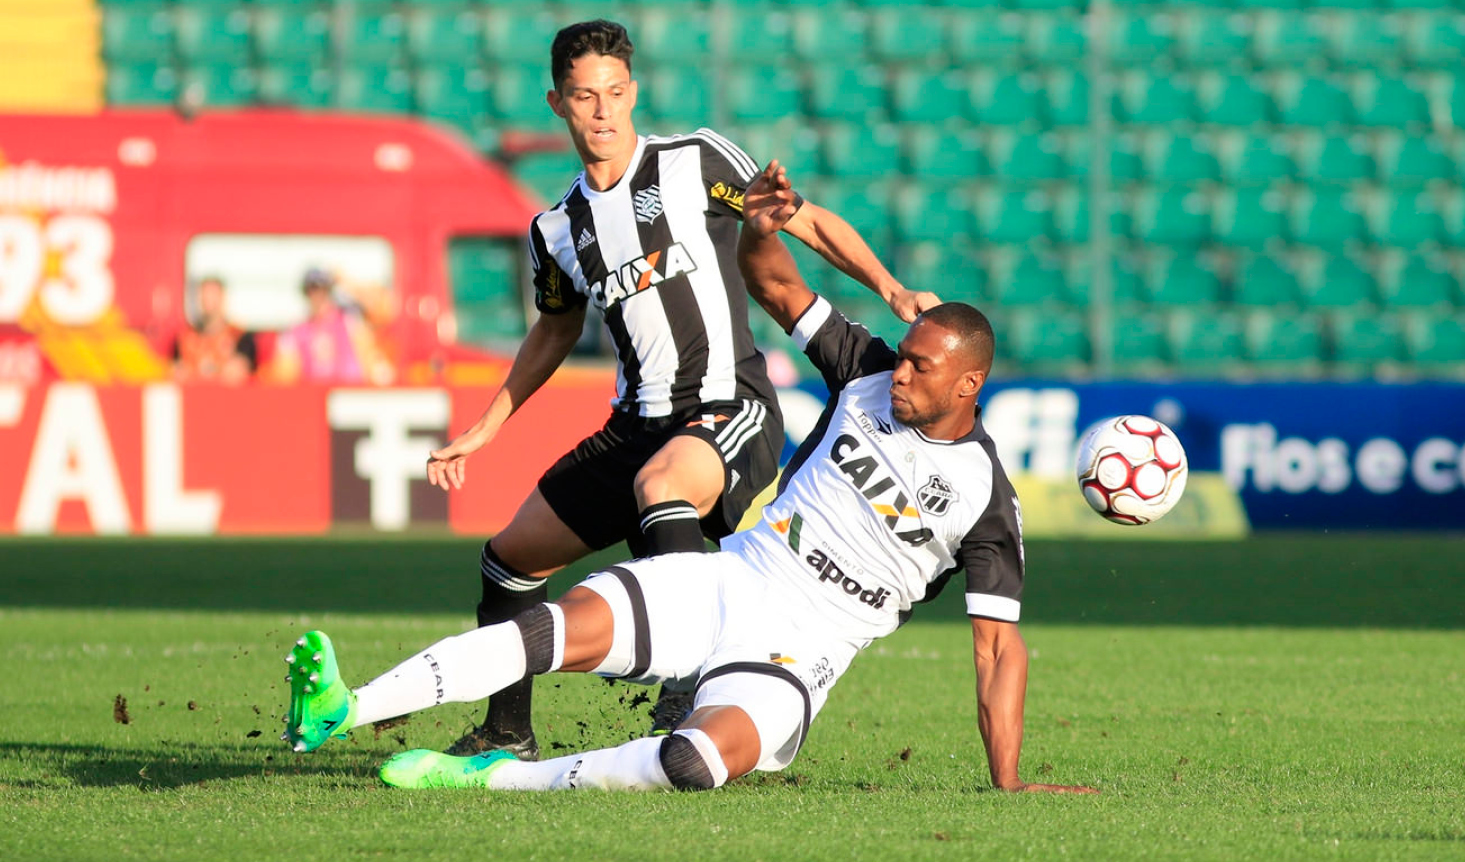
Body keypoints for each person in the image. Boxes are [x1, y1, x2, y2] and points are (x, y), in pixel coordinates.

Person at [279, 162, 1095, 796]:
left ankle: (496, 779)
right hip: (733, 578)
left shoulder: (987, 500)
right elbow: (775, 286)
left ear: (967, 386)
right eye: (904, 355)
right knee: (554, 628)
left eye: (921, 365)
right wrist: (758, 226)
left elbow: (996, 650)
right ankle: (346, 708)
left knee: (696, 762)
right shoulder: (864, 371)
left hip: (799, 654)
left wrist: (1009, 782)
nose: (902, 371)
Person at [425, 19, 939, 759]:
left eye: (612, 94)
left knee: (662, 485)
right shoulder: (557, 228)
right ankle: (508, 732)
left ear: (631, 93)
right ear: (557, 105)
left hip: (728, 405)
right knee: (508, 559)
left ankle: (688, 680)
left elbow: (808, 222)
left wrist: (891, 290)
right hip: (634, 424)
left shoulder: (693, 161)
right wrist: (486, 426)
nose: (601, 111)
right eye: (582, 97)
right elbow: (553, 331)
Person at [270, 268, 381, 384]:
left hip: (348, 393)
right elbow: (284, 374)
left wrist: (349, 283)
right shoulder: (295, 332)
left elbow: (370, 360)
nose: (318, 296)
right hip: (311, 395)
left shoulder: (350, 322)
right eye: (313, 291)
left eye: (323, 290)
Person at [172, 276, 256, 384]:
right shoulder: (184, 338)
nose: (208, 300)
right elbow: (177, 371)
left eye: (213, 295)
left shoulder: (240, 337)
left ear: (222, 297)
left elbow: (243, 372)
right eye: (204, 295)